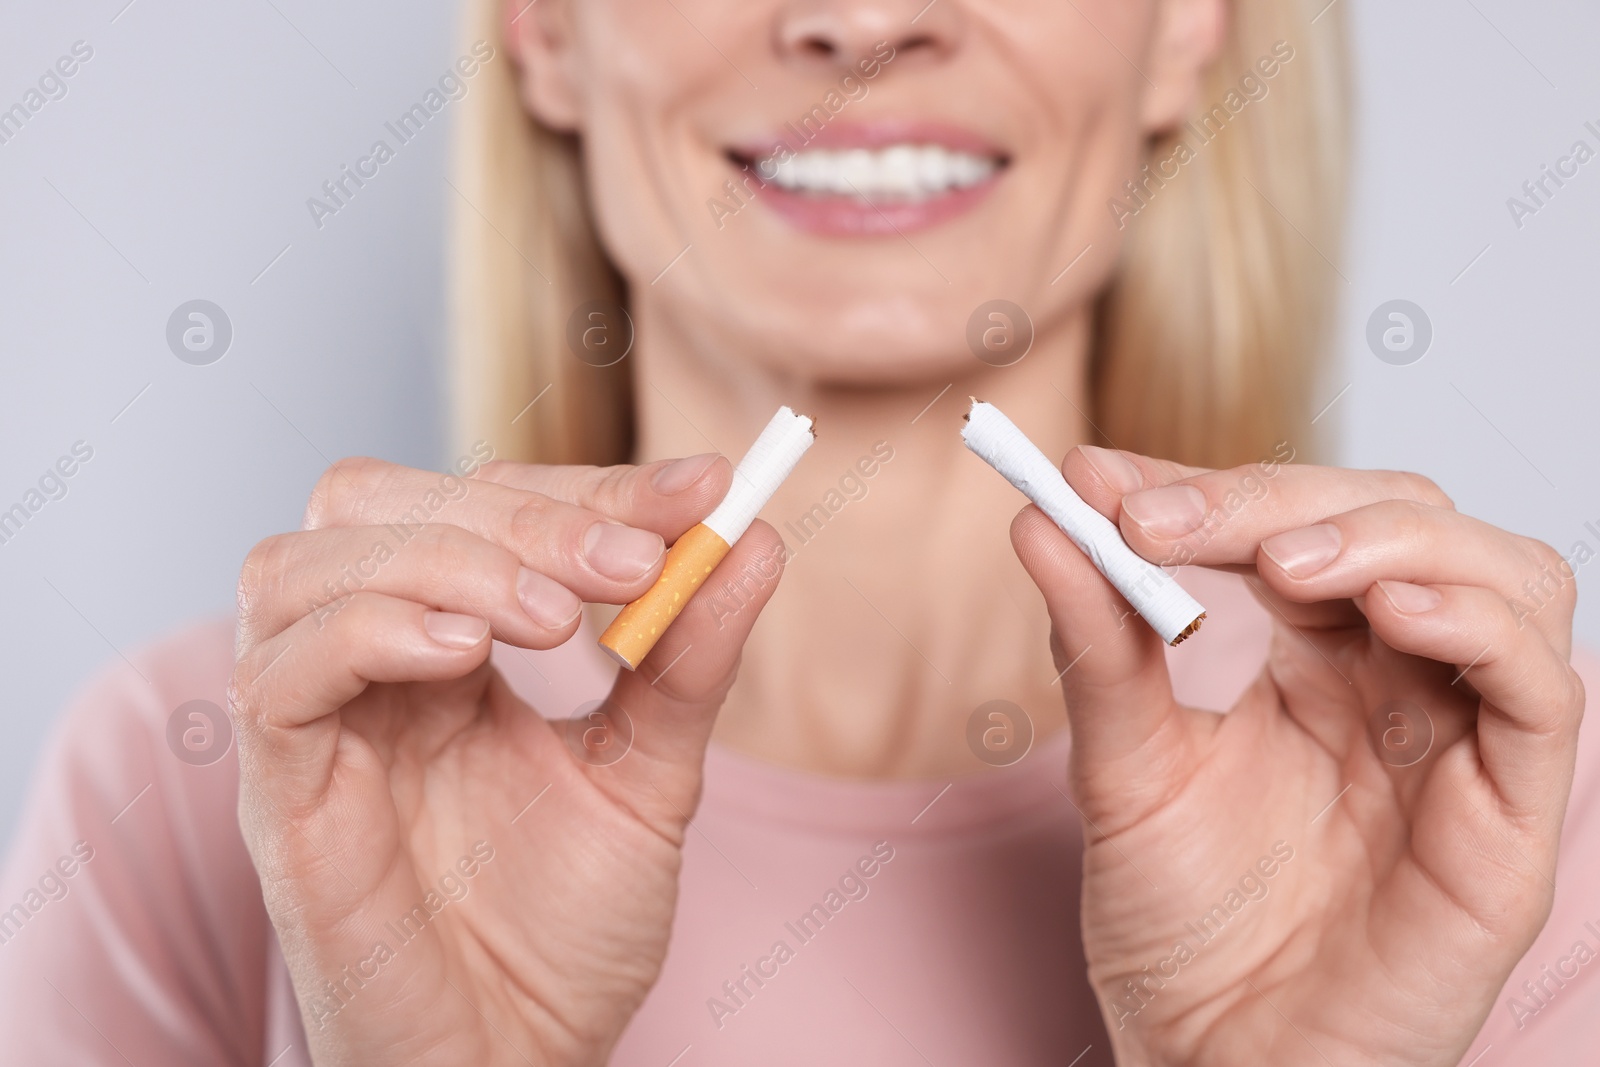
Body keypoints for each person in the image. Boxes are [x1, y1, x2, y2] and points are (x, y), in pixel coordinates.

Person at [3, 0, 1596, 1063]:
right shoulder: (227, 772)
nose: (862, 18)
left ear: (1187, 28)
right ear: (549, 29)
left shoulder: (1472, 803)